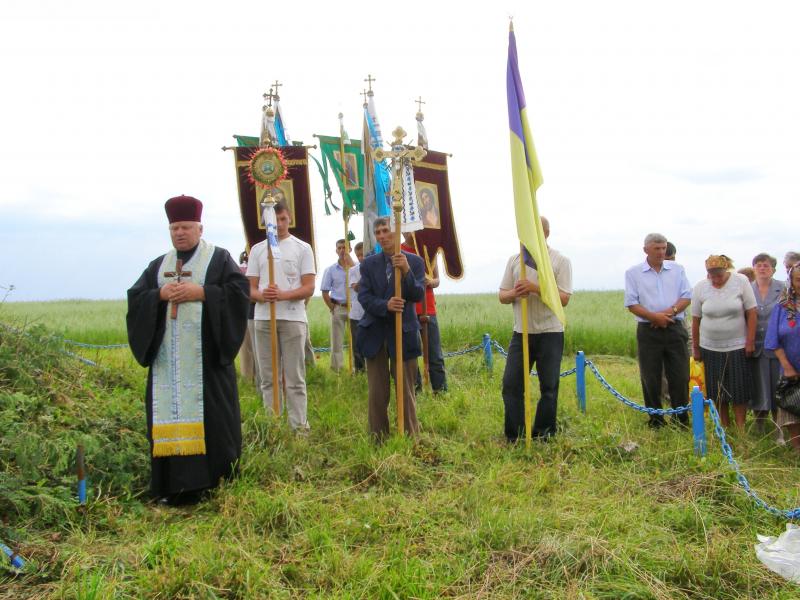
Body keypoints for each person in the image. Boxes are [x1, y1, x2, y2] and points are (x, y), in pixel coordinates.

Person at [126, 195, 249, 505]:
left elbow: (239, 293)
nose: (179, 233)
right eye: (174, 228)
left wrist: (202, 292)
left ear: (199, 228)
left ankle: (215, 482)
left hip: (207, 361)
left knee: (215, 419)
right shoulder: (159, 266)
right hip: (168, 363)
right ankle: (171, 487)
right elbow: (136, 298)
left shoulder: (218, 259)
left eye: (185, 227)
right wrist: (159, 295)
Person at [498, 217, 572, 441]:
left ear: (545, 233)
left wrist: (535, 288)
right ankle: (516, 435)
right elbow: (503, 295)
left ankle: (543, 433)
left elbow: (564, 298)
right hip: (521, 333)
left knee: (548, 386)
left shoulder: (560, 261)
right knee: (511, 385)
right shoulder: (515, 261)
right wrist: (515, 293)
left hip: (550, 332)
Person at [247, 201, 316, 431]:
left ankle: (299, 427)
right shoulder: (257, 250)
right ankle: (273, 425)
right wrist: (262, 295)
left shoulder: (302, 248)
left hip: (292, 318)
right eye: (273, 220)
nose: (278, 224)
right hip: (263, 319)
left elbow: (309, 287)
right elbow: (250, 288)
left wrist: (283, 295)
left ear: (290, 218)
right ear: (264, 222)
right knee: (268, 377)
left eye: (282, 219)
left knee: (294, 377)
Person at [357, 217, 426, 439]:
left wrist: (406, 271)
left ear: (396, 231)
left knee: (406, 390)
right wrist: (385, 305)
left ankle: (410, 437)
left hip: (403, 333)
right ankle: (378, 438)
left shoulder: (415, 262)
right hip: (375, 333)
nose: (382, 236)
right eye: (378, 232)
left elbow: (417, 294)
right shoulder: (368, 264)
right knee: (377, 391)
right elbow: (364, 297)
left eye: (386, 230)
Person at [624, 233, 692, 428]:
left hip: (674, 327)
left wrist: (666, 314)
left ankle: (681, 419)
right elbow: (631, 303)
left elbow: (686, 297)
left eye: (663, 248)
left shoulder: (677, 270)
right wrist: (653, 317)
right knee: (650, 376)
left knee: (680, 375)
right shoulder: (633, 273)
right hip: (648, 330)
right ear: (646, 250)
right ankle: (656, 419)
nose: (661, 252)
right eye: (657, 248)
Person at [691, 255, 757, 429]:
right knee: (716, 390)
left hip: (738, 346)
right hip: (709, 347)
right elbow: (696, 320)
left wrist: (750, 341)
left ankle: (741, 428)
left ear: (726, 270)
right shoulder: (700, 287)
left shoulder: (741, 281)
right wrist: (695, 348)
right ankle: (724, 427)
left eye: (719, 275)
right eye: (711, 275)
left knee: (739, 388)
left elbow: (752, 312)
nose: (715, 279)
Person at [401, 232, 448, 393]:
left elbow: (437, 280)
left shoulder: (428, 250)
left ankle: (440, 390)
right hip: (408, 309)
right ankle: (415, 390)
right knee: (411, 352)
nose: (410, 232)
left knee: (434, 352)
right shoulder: (399, 251)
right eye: (406, 229)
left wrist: (430, 281)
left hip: (428, 307)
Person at [765, 263, 800, 452]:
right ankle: (797, 450)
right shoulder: (782, 307)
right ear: (792, 282)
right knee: (792, 407)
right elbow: (772, 339)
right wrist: (786, 366)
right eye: (799, 280)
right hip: (790, 367)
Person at [750, 253, 784, 436]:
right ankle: (759, 428)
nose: (762, 268)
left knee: (777, 389)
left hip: (778, 348)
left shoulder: (783, 288)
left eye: (766, 265)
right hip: (755, 347)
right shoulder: (748, 288)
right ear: (754, 268)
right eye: (759, 265)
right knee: (759, 388)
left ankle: (780, 430)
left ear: (773, 269)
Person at [320, 239, 354, 371]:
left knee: (356, 339)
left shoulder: (356, 267)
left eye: (344, 247)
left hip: (354, 308)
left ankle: (357, 368)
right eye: (339, 248)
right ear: (336, 251)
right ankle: (337, 369)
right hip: (338, 307)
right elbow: (324, 291)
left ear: (350, 249)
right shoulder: (330, 270)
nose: (342, 250)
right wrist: (332, 307)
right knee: (336, 341)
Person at [237, 250, 260, 388]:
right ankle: (248, 379)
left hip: (257, 312)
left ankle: (253, 378)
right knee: (247, 349)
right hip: (247, 312)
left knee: (253, 350)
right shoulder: (241, 271)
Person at [348, 242, 366, 373]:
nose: (360, 258)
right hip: (356, 313)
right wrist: (367, 275)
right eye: (358, 255)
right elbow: (356, 287)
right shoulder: (353, 270)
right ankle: (360, 370)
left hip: (371, 312)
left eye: (363, 254)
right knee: (357, 343)